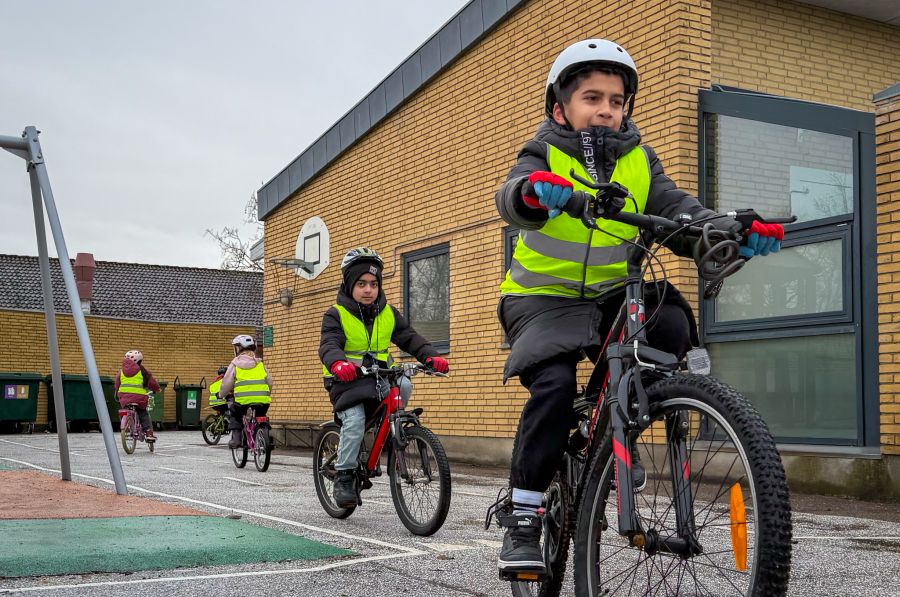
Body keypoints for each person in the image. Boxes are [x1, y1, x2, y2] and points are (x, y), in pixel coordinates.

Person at [493, 38, 784, 573]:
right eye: (591, 96)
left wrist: (729, 232)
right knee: (554, 388)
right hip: (540, 298)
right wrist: (536, 192)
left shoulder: (639, 159)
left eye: (616, 99)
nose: (606, 108)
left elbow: (678, 209)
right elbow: (513, 195)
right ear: (560, 106)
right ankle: (525, 513)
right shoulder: (543, 149)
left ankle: (617, 429)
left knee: (670, 321)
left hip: (612, 295)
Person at [319, 247, 449, 508]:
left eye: (374, 284)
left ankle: (393, 430)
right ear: (349, 285)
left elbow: (409, 338)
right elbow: (329, 344)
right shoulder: (336, 314)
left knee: (405, 383)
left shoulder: (388, 313)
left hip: (380, 378)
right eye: (361, 284)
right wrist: (338, 362)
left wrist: (430, 356)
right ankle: (344, 476)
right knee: (354, 420)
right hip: (346, 381)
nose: (368, 290)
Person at [219, 335, 271, 449]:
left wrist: (221, 394)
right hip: (263, 401)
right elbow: (269, 382)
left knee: (235, 413)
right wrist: (266, 394)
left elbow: (226, 384)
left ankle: (236, 439)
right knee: (261, 415)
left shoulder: (235, 364)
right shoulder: (260, 364)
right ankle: (262, 435)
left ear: (238, 349)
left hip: (242, 402)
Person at [115, 350, 161, 441]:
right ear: (139, 361)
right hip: (139, 397)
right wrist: (157, 389)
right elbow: (151, 382)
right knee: (142, 412)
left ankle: (128, 426)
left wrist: (117, 391)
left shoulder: (121, 371)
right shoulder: (142, 370)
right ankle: (148, 433)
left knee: (126, 410)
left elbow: (117, 383)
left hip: (123, 397)